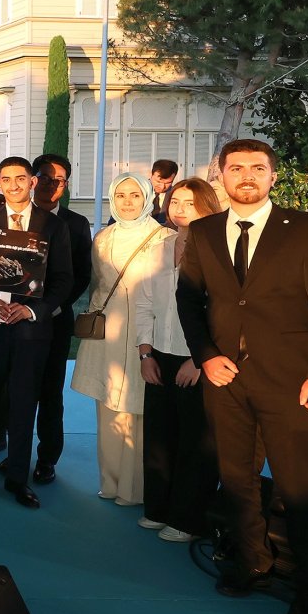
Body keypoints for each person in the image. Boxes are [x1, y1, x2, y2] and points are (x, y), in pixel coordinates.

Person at [176, 138, 308, 614]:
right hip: (224, 378)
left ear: (273, 176)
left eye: (257, 168)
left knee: (300, 485)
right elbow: (189, 300)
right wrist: (206, 356)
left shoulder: (307, 229)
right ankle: (252, 559)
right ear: (221, 176)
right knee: (236, 478)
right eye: (235, 168)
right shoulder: (205, 231)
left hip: (293, 381)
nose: (246, 176)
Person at [0, 156, 74, 509]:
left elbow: (64, 280)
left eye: (20, 178)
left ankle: (17, 479)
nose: (13, 185)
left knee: (24, 403)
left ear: (33, 182)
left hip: (30, 330)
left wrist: (33, 309)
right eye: (6, 179)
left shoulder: (52, 226)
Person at [71, 173, 172, 506]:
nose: (128, 202)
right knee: (110, 405)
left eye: (135, 195)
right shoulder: (103, 238)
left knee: (141, 407)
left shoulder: (165, 237)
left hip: (148, 333)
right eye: (121, 195)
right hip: (108, 333)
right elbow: (98, 283)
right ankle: (111, 482)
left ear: (147, 199)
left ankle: (139, 489)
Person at [135, 177, 222, 543]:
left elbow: (223, 313)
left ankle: (187, 519)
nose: (180, 209)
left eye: (190, 203)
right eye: (175, 202)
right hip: (159, 356)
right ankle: (158, 508)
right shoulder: (160, 247)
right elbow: (144, 304)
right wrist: (145, 352)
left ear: (208, 207)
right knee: (158, 436)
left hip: (200, 361)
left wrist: (199, 359)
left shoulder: (222, 251)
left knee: (195, 443)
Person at [30, 153, 93, 481]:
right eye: (45, 177)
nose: (51, 184)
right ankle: (14, 454)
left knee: (50, 392)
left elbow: (82, 274)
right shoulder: (13, 217)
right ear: (32, 178)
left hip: (54, 319)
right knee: (16, 388)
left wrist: (52, 305)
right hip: (13, 319)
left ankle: (47, 459)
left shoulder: (77, 224)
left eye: (59, 180)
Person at [148, 159, 178, 225]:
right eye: (158, 181)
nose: (162, 187)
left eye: (168, 183)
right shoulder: (138, 191)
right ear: (150, 174)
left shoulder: (176, 195)